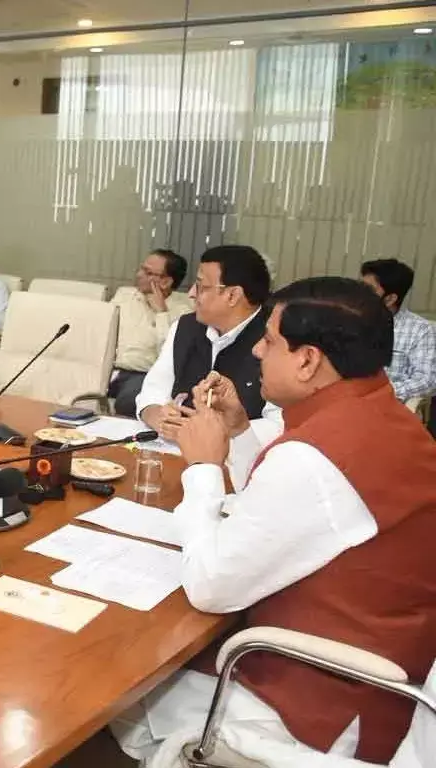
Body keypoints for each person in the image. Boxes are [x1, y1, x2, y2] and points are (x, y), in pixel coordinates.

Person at [114, 277, 436, 767]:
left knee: (109, 678)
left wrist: (203, 468)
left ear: (307, 360)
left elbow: (210, 586)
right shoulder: (379, 414)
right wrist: (240, 430)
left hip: (315, 696)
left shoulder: (319, 457)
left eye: (269, 340)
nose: (258, 351)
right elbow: (288, 507)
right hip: (377, 663)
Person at [136, 245, 274, 441]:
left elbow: (277, 423)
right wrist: (157, 415)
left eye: (201, 286)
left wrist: (216, 431)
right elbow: (153, 389)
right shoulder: (185, 327)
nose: (191, 293)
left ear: (233, 295)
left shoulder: (275, 339)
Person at [108, 249, 194, 416]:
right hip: (107, 369)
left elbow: (170, 353)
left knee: (128, 401)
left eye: (148, 272)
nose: (139, 274)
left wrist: (161, 313)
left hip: (141, 374)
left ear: (166, 281)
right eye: (141, 268)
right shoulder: (125, 295)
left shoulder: (183, 312)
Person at [360, 258, 436, 403]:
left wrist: (380, 393)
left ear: (390, 299)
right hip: (345, 401)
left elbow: (426, 381)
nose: (359, 295)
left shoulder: (420, 330)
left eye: (368, 290)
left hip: (387, 406)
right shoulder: (349, 320)